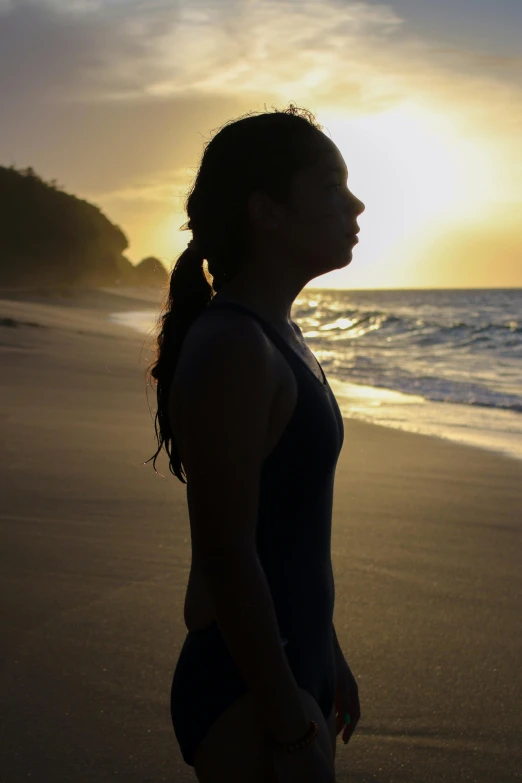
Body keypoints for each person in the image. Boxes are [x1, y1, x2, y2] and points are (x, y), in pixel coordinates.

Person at [147, 104, 365, 782]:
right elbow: (224, 552)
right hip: (248, 690)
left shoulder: (278, 335)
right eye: (330, 185)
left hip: (287, 667)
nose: (355, 203)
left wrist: (328, 653)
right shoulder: (235, 345)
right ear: (265, 210)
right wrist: (287, 723)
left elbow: (282, 523)